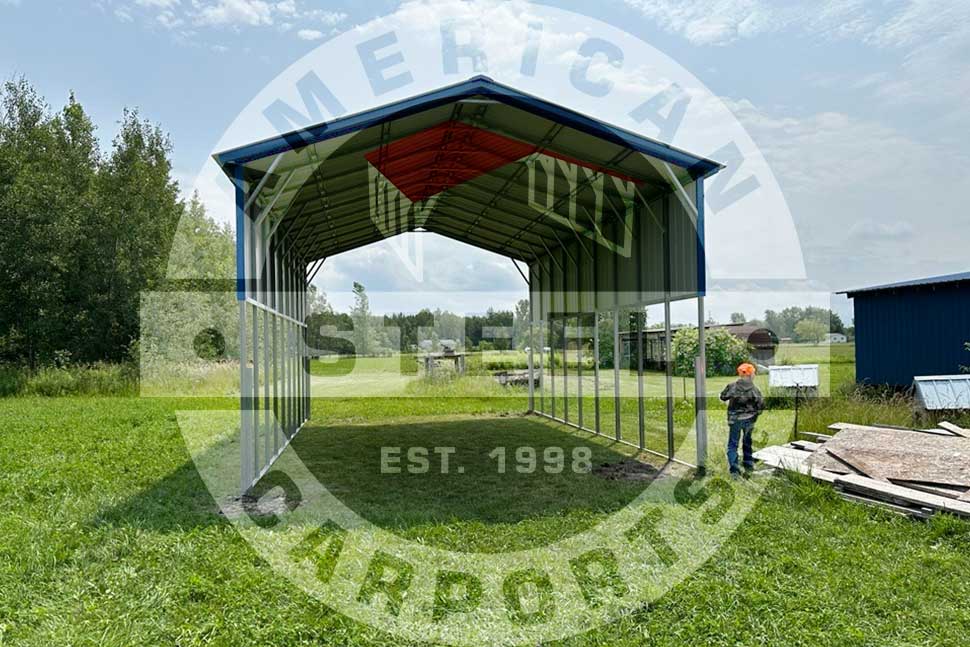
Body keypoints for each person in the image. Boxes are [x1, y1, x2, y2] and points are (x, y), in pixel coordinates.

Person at [720, 362, 765, 477]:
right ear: (751, 375)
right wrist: (755, 415)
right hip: (749, 420)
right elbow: (761, 406)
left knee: (732, 445)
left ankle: (734, 472)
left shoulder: (732, 386)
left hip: (734, 420)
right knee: (747, 442)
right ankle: (748, 465)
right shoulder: (754, 389)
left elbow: (723, 396)